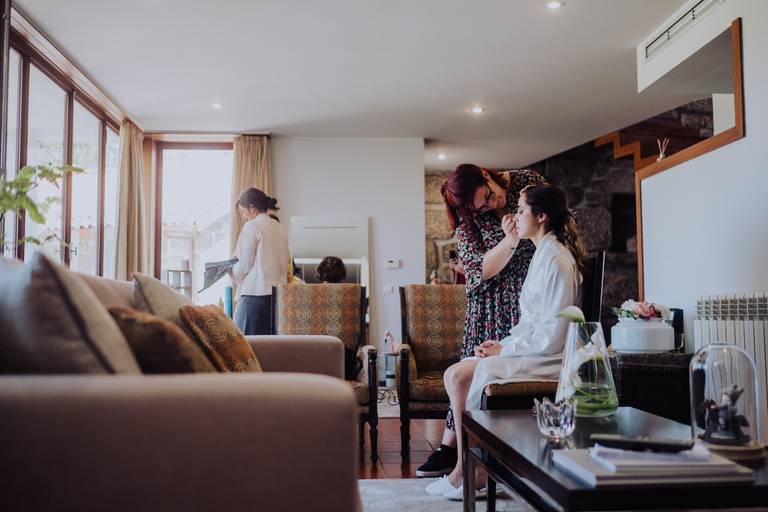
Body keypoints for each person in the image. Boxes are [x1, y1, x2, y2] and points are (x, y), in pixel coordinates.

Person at [426, 184, 585, 500]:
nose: (515, 216)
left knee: (458, 376)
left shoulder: (556, 259)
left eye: (522, 210)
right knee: (454, 374)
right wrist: (500, 344)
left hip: (551, 358)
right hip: (534, 349)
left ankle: (469, 470)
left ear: (541, 216)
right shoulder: (542, 253)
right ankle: (466, 468)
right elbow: (530, 323)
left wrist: (507, 349)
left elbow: (554, 334)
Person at [416, 164, 544, 478]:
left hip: (530, 292)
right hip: (490, 302)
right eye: (482, 206)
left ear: (487, 176)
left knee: (510, 374)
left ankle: (499, 447)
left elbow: (552, 220)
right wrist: (510, 240)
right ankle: (455, 448)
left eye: (488, 196)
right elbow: (478, 270)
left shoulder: (527, 182)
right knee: (472, 374)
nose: (490, 204)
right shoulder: (468, 218)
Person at [231, 188, 289, 335]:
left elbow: (244, 266)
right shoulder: (279, 227)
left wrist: (230, 270)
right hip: (277, 298)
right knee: (270, 345)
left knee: (248, 344)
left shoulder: (252, 226)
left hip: (254, 297)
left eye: (243, 211)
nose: (244, 216)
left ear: (252, 208)